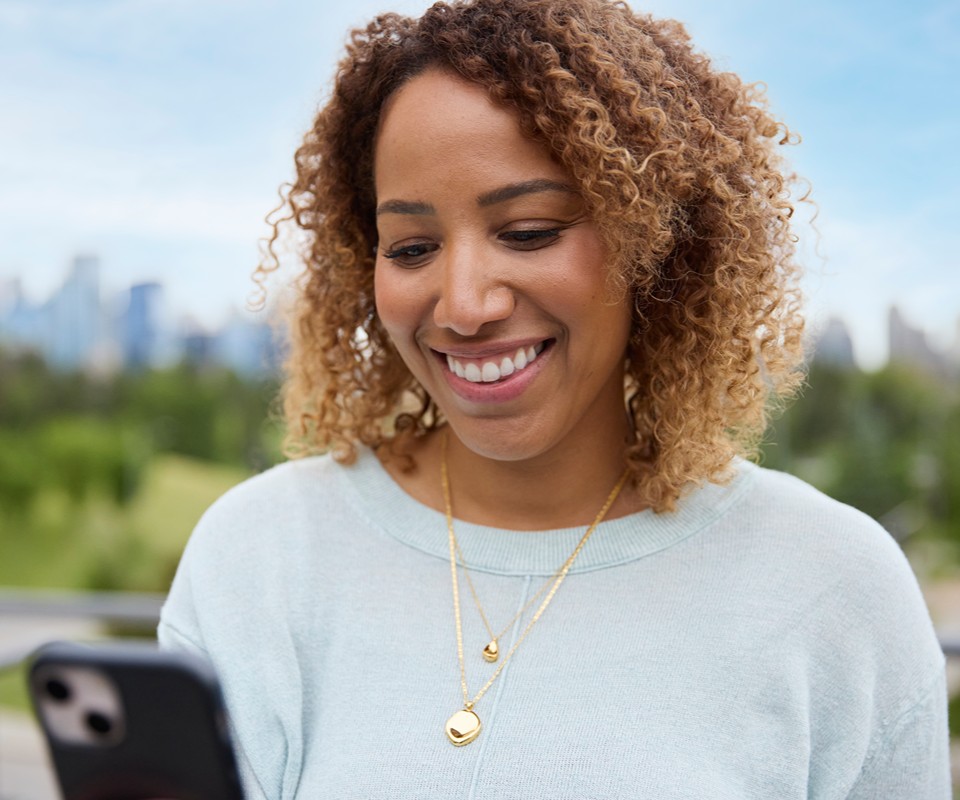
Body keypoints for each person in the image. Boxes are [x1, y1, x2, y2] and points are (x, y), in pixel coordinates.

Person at [158, 0, 950, 796]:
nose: (464, 305)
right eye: (412, 247)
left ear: (657, 242)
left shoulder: (833, 589)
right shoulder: (261, 558)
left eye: (529, 231)